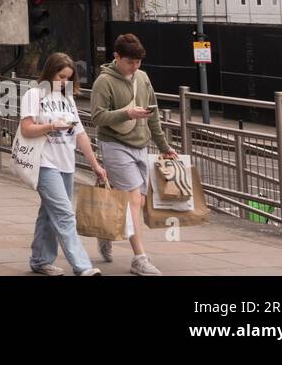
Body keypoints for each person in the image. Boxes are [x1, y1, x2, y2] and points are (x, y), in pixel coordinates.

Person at [91, 33, 179, 275]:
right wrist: (126, 114)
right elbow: (97, 117)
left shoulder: (143, 77)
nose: (135, 66)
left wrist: (164, 146)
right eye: (130, 62)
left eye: (139, 62)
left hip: (141, 144)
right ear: (116, 57)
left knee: (137, 202)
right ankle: (139, 258)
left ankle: (105, 230)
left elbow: (154, 114)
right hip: (115, 144)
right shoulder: (104, 82)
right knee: (132, 200)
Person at [20, 52, 106, 276]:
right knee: (65, 214)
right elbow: (26, 129)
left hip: (66, 164)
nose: (64, 82)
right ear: (50, 72)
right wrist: (51, 127)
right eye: (61, 76)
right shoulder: (34, 94)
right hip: (44, 162)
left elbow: (80, 134)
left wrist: (96, 165)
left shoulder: (68, 98)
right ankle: (83, 266)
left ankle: (40, 260)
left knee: (49, 214)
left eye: (68, 77)